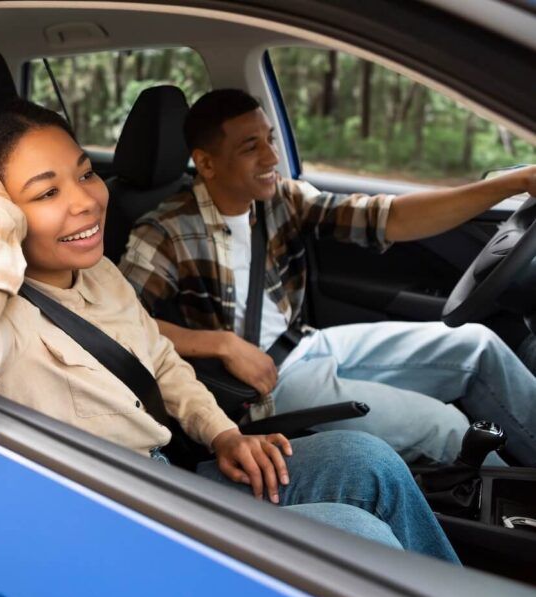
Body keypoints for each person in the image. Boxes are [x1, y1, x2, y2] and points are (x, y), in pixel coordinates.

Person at [0, 99, 459, 562]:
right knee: (356, 536)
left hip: (170, 476)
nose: (85, 200)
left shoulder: (100, 274)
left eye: (85, 173)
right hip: (116, 523)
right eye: (46, 192)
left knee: (367, 459)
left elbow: (159, 360)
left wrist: (223, 435)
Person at [118, 89, 536, 467]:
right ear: (207, 163)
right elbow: (120, 325)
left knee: (476, 345)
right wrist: (221, 344)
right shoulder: (164, 230)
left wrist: (510, 184)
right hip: (264, 389)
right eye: (251, 147)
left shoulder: (279, 197)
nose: (271, 157)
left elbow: (387, 218)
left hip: (308, 342)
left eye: (270, 139)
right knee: (448, 428)